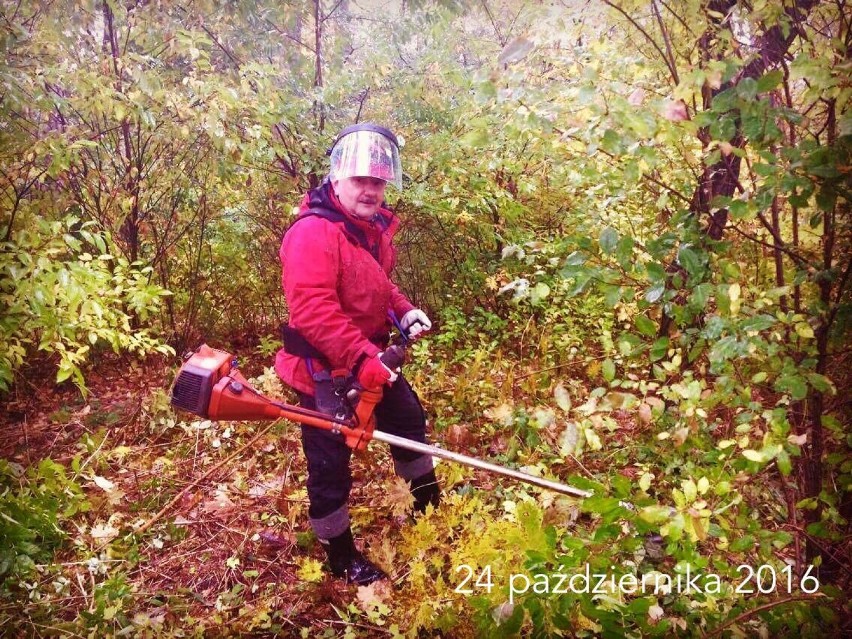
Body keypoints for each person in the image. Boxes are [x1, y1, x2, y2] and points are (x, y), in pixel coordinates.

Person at [274, 123, 440, 586]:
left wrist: (403, 311)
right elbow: (312, 311)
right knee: (330, 465)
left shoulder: (368, 229)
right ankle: (340, 556)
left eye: (378, 181)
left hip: (371, 362)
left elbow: (376, 283)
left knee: (408, 422)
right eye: (360, 180)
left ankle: (427, 507)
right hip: (324, 375)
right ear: (336, 180)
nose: (370, 190)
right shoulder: (312, 233)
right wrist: (363, 357)